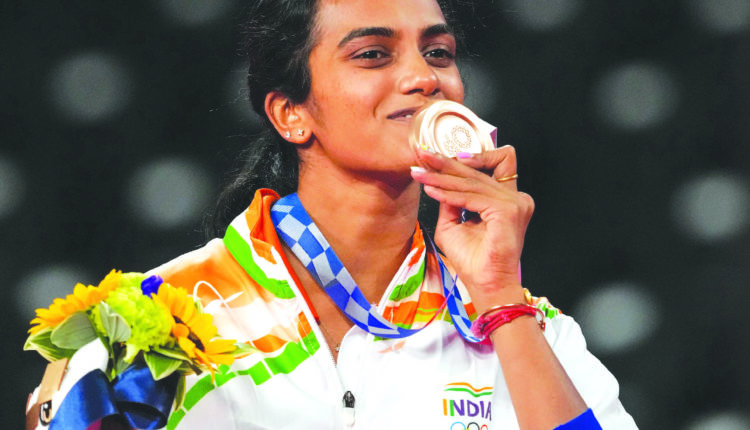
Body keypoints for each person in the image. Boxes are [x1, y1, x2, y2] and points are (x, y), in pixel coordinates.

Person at [29, 0, 638, 428]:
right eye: (374, 54)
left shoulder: (528, 332)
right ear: (291, 113)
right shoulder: (149, 328)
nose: (423, 77)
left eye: (439, 52)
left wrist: (502, 299)